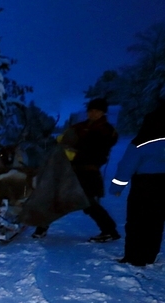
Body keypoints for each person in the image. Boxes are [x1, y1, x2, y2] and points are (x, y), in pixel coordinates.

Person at [109, 99, 165, 266]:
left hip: (144, 185)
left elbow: (126, 166)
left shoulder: (142, 141)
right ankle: (149, 255)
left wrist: (117, 187)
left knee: (136, 222)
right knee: (156, 221)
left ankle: (133, 257)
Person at [32, 97, 120, 242]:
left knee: (89, 203)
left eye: (97, 111)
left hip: (89, 171)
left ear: (103, 113)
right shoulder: (80, 126)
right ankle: (41, 228)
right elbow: (63, 139)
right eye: (91, 110)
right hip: (70, 170)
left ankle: (110, 231)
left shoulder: (107, 130)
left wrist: (76, 151)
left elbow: (98, 149)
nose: (93, 113)